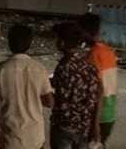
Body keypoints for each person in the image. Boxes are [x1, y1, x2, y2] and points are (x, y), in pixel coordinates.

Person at [0, 24, 54, 149]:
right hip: (35, 136)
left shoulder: (1, 68)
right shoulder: (39, 68)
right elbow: (49, 102)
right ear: (30, 43)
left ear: (9, 43)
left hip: (11, 136)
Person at [50, 23, 101, 149]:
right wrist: (95, 125)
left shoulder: (63, 67)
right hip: (84, 127)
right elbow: (96, 97)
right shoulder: (89, 66)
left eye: (56, 38)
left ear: (62, 42)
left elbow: (60, 99)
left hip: (64, 127)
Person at [80, 14, 117, 147]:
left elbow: (97, 92)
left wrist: (95, 124)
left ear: (84, 31)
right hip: (110, 113)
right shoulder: (108, 51)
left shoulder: (92, 56)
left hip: (97, 116)